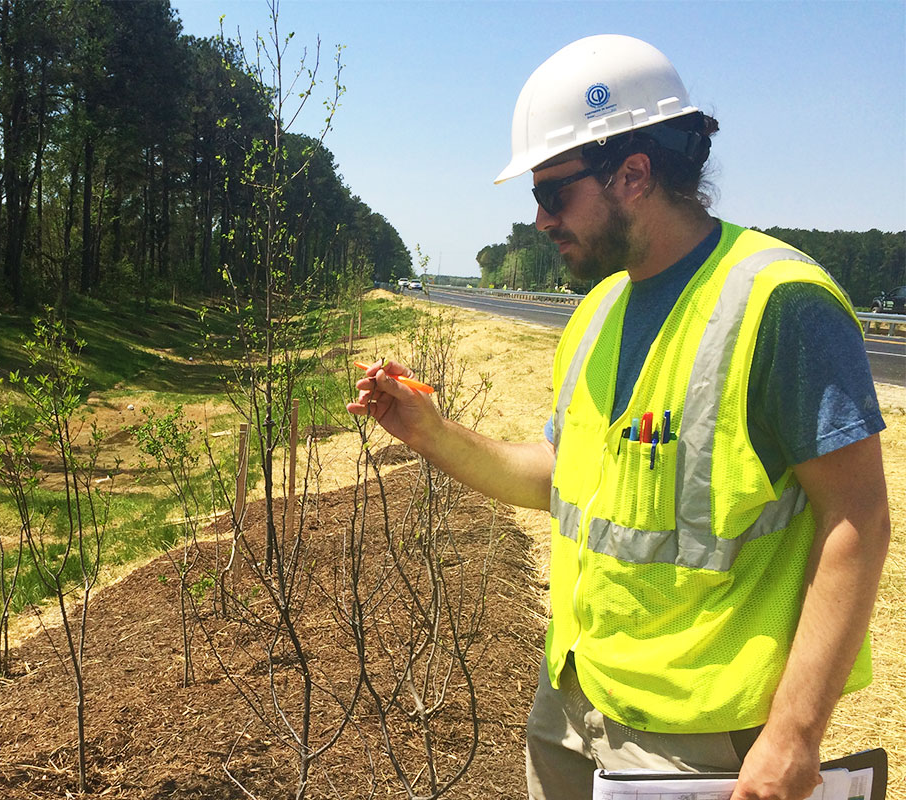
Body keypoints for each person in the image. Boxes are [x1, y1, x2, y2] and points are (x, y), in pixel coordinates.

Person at [348, 34, 890, 800]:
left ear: (633, 173)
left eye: (552, 193)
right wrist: (430, 432)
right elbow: (559, 477)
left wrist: (795, 734)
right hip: (573, 698)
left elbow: (858, 519)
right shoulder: (599, 310)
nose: (538, 219)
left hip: (697, 741)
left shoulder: (779, 304)